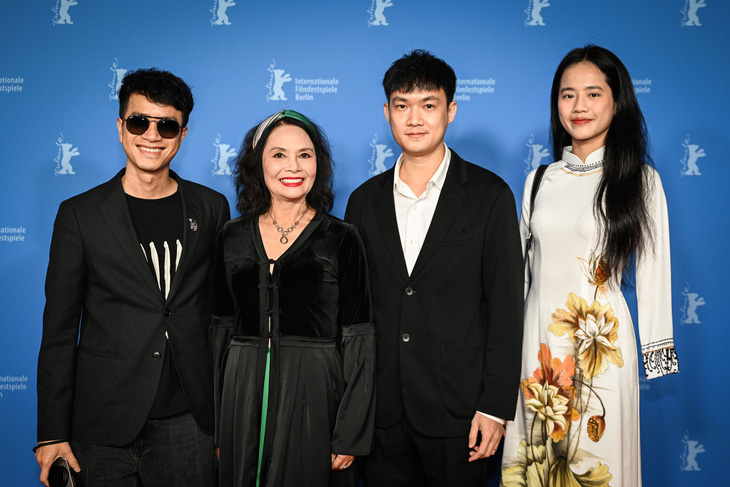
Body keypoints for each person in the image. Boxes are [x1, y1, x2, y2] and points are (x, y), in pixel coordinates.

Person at [35, 68, 230, 486]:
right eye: (140, 122)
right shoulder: (79, 215)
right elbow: (59, 331)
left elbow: (220, 318)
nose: (152, 136)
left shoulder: (212, 207)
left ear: (183, 134)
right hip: (102, 421)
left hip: (189, 420)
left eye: (167, 126)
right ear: (121, 127)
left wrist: (224, 417)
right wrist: (51, 433)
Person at [500, 45, 679, 486]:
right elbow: (519, 276)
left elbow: (654, 273)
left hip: (601, 350)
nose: (579, 106)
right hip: (537, 348)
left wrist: (656, 355)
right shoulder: (538, 180)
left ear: (617, 103)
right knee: (537, 464)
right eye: (568, 95)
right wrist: (501, 354)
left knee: (596, 466)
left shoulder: (641, 180)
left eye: (593, 94)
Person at [345, 50, 524, 486]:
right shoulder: (363, 201)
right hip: (382, 412)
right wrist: (352, 408)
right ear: (387, 112)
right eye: (402, 106)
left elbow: (505, 308)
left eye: (428, 105)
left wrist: (495, 407)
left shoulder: (489, 194)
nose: (415, 119)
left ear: (451, 110)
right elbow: (352, 313)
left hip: (461, 411)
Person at [211, 110, 376, 486]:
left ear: (319, 163)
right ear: (258, 163)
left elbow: (360, 338)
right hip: (241, 393)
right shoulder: (230, 237)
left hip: (315, 396)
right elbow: (219, 333)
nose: (293, 166)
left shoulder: (342, 238)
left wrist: (350, 431)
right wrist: (219, 426)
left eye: (305, 154)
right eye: (279, 154)